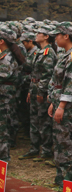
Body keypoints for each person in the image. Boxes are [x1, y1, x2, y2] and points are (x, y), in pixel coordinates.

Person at [47, 22, 72, 191]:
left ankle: (69, 179)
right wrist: (53, 102)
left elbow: (70, 84)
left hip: (68, 105)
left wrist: (62, 106)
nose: (55, 38)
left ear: (66, 36)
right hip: (59, 101)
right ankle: (60, 176)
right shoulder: (65, 55)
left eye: (58, 34)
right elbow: (57, 81)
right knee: (59, 140)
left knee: (66, 141)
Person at [20, 25, 57, 162]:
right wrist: (31, 91)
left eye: (39, 33)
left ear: (46, 36)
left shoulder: (48, 52)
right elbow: (34, 74)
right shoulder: (40, 51)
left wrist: (41, 91)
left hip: (42, 90)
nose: (36, 35)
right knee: (34, 120)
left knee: (43, 121)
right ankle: (34, 148)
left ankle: (46, 150)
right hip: (35, 87)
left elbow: (47, 75)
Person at [0, 25, 25, 162]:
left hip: (4, 96)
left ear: (1, 41)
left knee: (2, 126)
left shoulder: (7, 57)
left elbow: (3, 75)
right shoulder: (5, 55)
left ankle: (3, 157)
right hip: (4, 94)